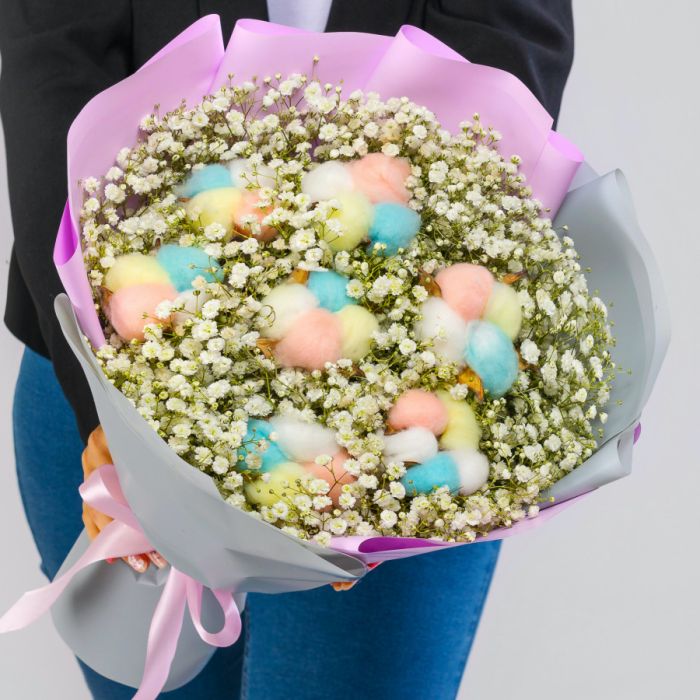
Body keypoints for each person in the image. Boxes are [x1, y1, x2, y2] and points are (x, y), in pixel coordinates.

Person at [0, 1, 574, 698]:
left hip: (399, 437)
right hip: (100, 385)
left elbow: (508, 48)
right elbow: (52, 56)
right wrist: (108, 402)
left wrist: (367, 374)